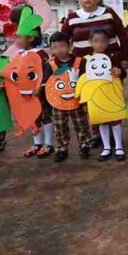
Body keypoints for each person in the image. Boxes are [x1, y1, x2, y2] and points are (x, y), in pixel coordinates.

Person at [11, 6, 55, 159]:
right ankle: (37, 143)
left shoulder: (40, 54)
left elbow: (46, 72)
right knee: (32, 118)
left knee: (45, 116)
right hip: (25, 93)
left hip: (39, 92)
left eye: (19, 37)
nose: (16, 40)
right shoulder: (19, 54)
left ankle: (48, 143)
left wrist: (40, 86)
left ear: (30, 37)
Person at [44, 31, 90, 163]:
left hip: (77, 101)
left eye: (62, 46)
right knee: (60, 127)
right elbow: (46, 85)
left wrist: (85, 101)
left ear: (69, 46)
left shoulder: (81, 62)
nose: (59, 50)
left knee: (81, 124)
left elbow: (87, 81)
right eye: (54, 47)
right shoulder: (50, 65)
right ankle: (62, 148)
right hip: (57, 103)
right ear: (51, 48)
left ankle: (84, 145)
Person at [61, 0, 128, 67]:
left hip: (111, 62)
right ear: (78, 0)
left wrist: (125, 58)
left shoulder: (109, 13)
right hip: (82, 64)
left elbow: (123, 37)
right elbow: (62, 40)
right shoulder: (72, 17)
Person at [89, 29, 128, 162]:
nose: (100, 44)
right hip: (96, 97)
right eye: (96, 41)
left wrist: (119, 71)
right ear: (90, 42)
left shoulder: (112, 58)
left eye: (103, 41)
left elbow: (123, 74)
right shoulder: (87, 61)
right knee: (102, 121)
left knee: (115, 120)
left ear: (107, 42)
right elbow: (83, 80)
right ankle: (106, 147)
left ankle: (118, 146)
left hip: (111, 95)